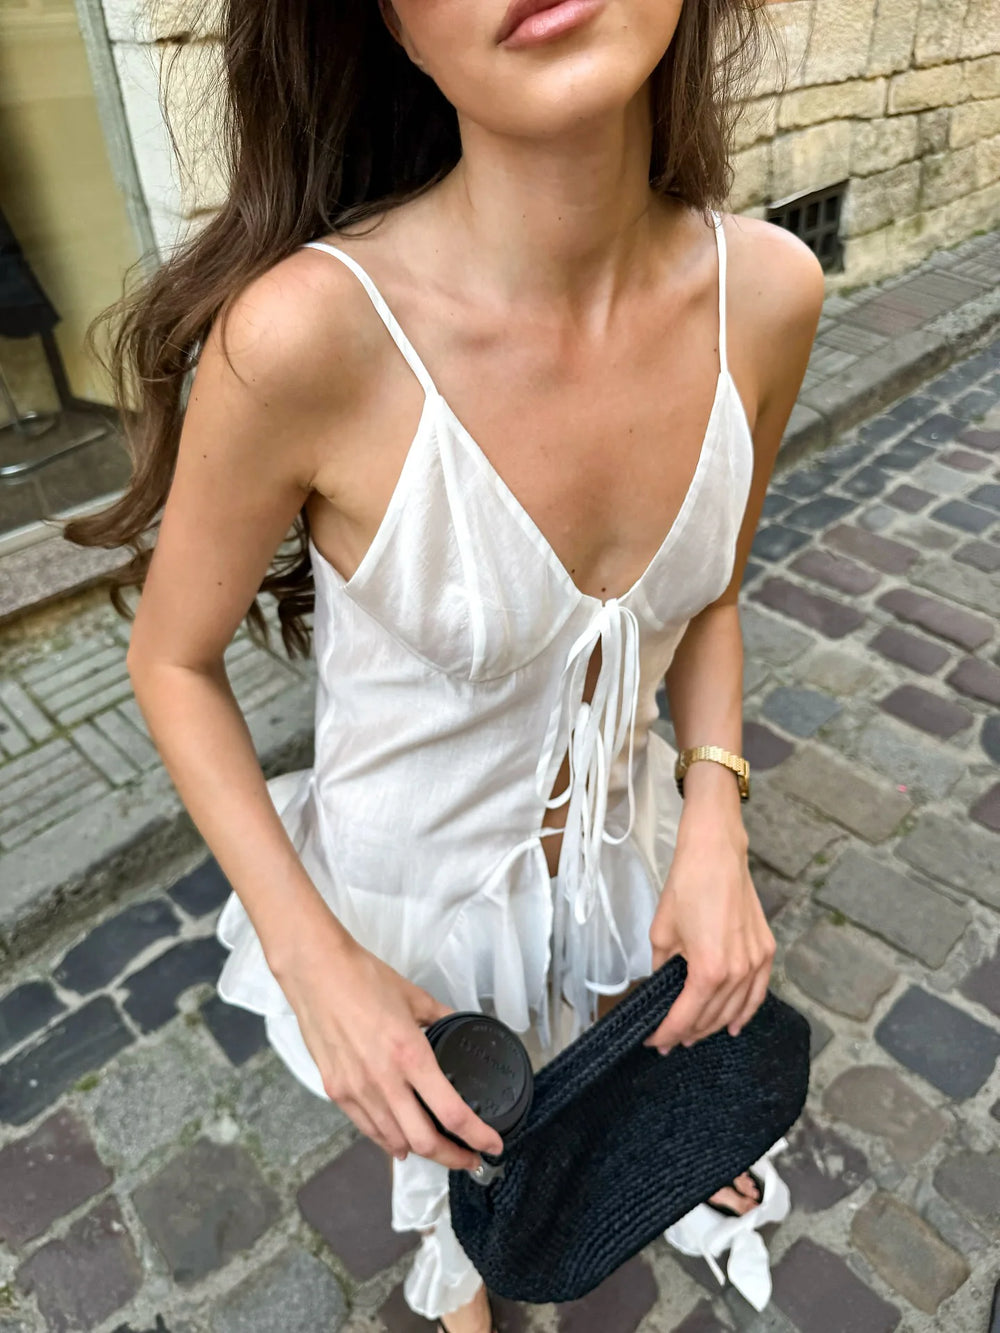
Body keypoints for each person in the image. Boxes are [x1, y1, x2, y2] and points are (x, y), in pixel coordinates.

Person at [67, 0, 825, 1328]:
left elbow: (708, 597)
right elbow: (171, 661)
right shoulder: (304, 337)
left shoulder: (767, 295)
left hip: (625, 856)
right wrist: (319, 964)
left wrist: (714, 813)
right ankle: (465, 1291)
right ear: (395, 29)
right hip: (400, 914)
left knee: (605, 1102)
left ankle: (643, 1176)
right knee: (460, 1182)